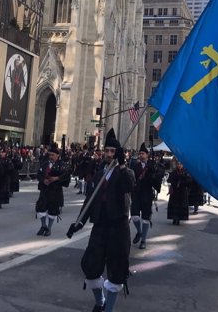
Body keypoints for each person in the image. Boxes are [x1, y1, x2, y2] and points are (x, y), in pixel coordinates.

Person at [66, 129, 135, 312]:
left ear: (118, 154)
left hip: (118, 227)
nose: (109, 154)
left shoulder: (125, 173)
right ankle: (100, 301)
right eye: (107, 151)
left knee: (116, 271)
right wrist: (79, 223)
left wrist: (121, 165)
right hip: (100, 226)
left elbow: (129, 186)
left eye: (113, 151)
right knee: (90, 266)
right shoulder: (98, 174)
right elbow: (90, 200)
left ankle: (109, 309)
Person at [130, 142, 164, 249]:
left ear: (147, 155)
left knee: (145, 218)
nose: (141, 155)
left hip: (147, 194)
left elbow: (159, 177)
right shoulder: (135, 165)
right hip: (136, 194)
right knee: (135, 216)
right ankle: (139, 232)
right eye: (139, 153)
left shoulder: (152, 165)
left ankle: (143, 240)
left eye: (143, 154)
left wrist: (154, 174)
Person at [35, 143, 70, 236]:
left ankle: (49, 228)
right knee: (40, 208)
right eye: (49, 154)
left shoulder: (62, 165)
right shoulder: (45, 164)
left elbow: (66, 176)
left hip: (55, 191)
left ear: (57, 155)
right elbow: (39, 174)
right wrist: (43, 180)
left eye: (53, 155)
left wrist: (57, 178)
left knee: (52, 210)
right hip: (44, 190)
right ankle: (43, 226)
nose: (50, 156)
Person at [167, 160, 191, 225]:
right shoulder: (174, 172)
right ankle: (174, 218)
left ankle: (179, 219)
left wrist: (183, 180)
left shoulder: (186, 172)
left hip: (182, 192)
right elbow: (169, 180)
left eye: (181, 164)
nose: (179, 165)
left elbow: (189, 181)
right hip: (174, 192)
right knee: (174, 205)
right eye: (178, 164)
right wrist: (175, 180)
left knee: (181, 205)